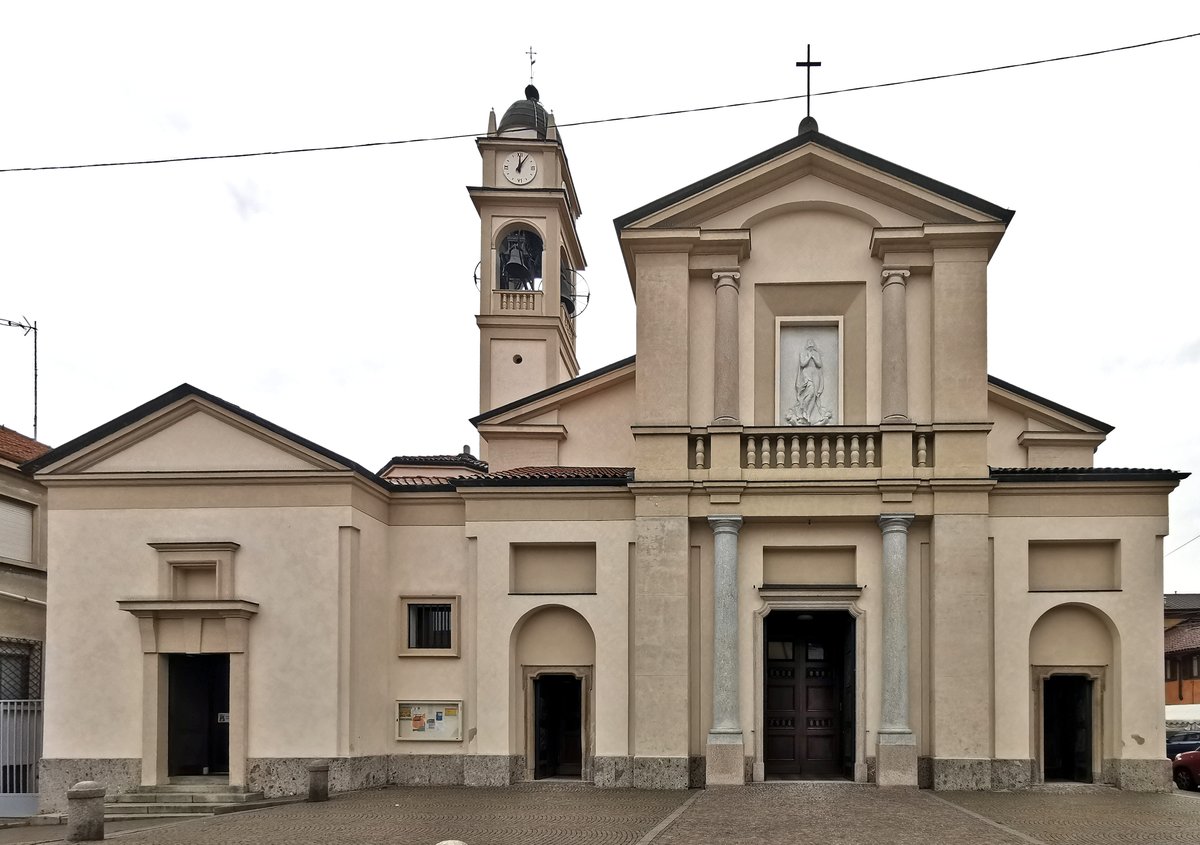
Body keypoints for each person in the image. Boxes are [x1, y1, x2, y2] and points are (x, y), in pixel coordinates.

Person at [786, 338, 833, 425]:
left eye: (812, 345)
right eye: (809, 345)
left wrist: (814, 357)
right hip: (806, 373)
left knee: (814, 395)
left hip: (815, 374)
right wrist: (808, 357)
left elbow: (819, 365)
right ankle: (803, 409)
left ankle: (807, 414)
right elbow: (802, 364)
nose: (810, 346)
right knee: (810, 391)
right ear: (807, 346)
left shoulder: (816, 354)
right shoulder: (803, 353)